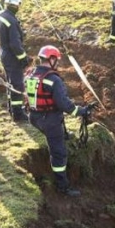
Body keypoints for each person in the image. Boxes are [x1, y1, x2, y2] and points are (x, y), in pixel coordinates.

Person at [25, 45, 96, 197]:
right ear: (51, 60)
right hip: (49, 121)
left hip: (34, 117)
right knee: (59, 153)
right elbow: (64, 105)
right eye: (56, 60)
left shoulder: (31, 74)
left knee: (56, 120)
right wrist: (83, 111)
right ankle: (62, 186)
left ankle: (63, 134)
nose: (57, 63)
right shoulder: (53, 79)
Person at [0, 0, 33, 122]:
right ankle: (18, 114)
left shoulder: (1, 15)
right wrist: (23, 59)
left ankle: (12, 109)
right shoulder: (11, 21)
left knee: (11, 83)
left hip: (4, 54)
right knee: (17, 84)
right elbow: (15, 44)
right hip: (12, 57)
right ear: (17, 5)